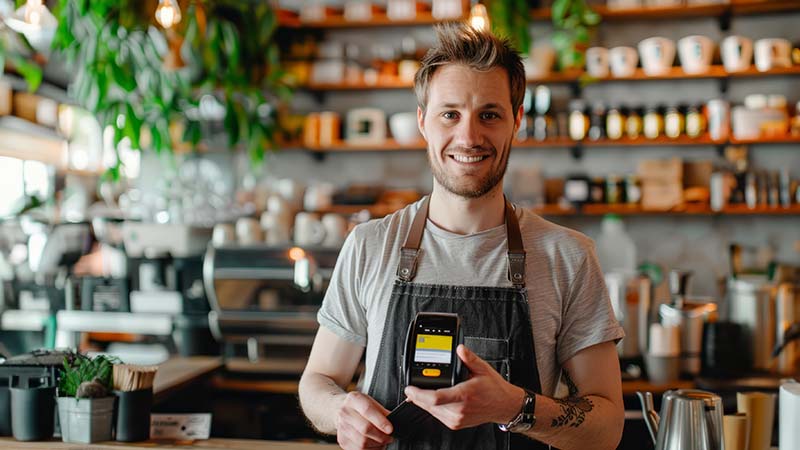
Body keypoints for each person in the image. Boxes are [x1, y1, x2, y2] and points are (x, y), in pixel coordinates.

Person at [299, 22, 625, 450]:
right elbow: (318, 381)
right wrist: (340, 411)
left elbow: (607, 427)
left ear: (517, 121)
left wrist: (514, 406)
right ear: (422, 122)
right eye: (449, 114)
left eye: (489, 115)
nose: (469, 137)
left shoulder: (568, 256)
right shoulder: (370, 245)